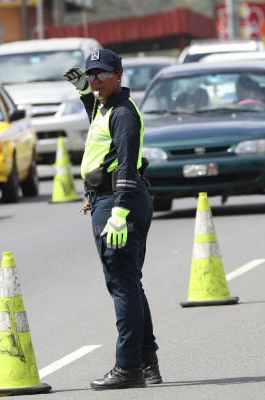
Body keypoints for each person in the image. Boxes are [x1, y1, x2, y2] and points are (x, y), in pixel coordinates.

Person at [63, 49, 161, 390]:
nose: (94, 80)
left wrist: (118, 209)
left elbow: (127, 162)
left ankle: (128, 367)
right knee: (129, 281)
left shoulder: (123, 113)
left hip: (121, 202)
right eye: (91, 75)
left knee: (122, 284)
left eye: (102, 75)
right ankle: (147, 362)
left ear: (119, 74)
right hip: (107, 199)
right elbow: (92, 110)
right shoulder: (104, 107)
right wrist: (79, 85)